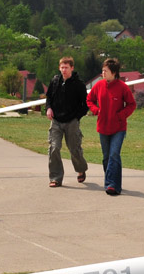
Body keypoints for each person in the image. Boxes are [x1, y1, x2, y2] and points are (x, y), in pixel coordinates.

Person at [86, 57, 136, 196]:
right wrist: (96, 110)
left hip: (118, 128)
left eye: (105, 71)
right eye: (102, 71)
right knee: (107, 157)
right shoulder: (98, 85)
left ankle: (111, 185)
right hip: (103, 127)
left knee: (114, 155)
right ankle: (113, 182)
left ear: (114, 73)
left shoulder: (122, 87)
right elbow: (89, 100)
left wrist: (121, 115)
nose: (103, 73)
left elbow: (132, 105)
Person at [45, 56, 89, 188]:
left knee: (74, 149)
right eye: (62, 67)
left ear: (72, 68)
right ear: (59, 68)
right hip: (56, 121)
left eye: (66, 67)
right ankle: (56, 178)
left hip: (72, 121)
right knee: (54, 148)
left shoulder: (79, 85)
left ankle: (81, 169)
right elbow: (48, 98)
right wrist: (48, 108)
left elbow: (85, 104)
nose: (64, 70)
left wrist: (77, 117)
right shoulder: (55, 81)